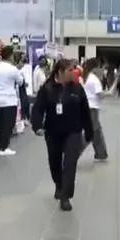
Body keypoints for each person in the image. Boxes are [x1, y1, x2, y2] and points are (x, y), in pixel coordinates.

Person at [31, 59, 94, 212]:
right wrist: (37, 125)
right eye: (70, 70)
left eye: (74, 70)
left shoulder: (77, 89)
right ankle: (59, 185)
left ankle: (65, 197)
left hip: (73, 131)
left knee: (70, 164)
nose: (74, 73)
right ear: (60, 72)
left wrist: (89, 132)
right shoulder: (47, 89)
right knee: (55, 162)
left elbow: (85, 110)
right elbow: (38, 109)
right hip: (53, 132)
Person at [0, 45, 23, 156]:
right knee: (9, 124)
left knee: (0, 124)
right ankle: (5, 147)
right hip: (9, 100)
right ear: (10, 55)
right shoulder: (12, 69)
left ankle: (0, 146)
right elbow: (20, 81)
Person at [81, 58, 109, 162]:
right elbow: (100, 95)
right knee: (91, 132)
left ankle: (101, 154)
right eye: (99, 67)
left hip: (89, 108)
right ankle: (72, 153)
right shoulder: (94, 79)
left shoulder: (87, 77)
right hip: (92, 109)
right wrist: (109, 93)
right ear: (95, 68)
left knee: (97, 132)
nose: (101, 69)